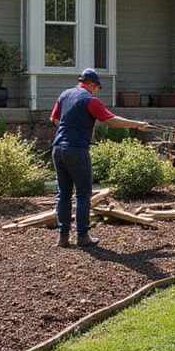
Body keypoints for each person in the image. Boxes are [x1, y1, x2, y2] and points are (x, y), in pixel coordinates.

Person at [50, 69, 148, 248]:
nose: (96, 91)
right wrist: (136, 124)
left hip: (57, 149)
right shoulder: (89, 99)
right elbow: (111, 120)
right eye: (96, 88)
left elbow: (54, 119)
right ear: (92, 84)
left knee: (63, 194)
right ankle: (82, 236)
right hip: (76, 149)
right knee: (82, 194)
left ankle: (63, 237)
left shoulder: (65, 95)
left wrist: (70, 129)